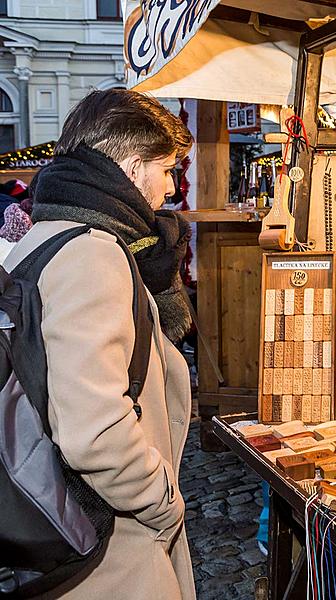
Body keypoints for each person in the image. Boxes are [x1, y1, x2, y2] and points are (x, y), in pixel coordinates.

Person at [3, 89, 195, 598]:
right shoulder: (91, 253)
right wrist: (161, 500)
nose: (171, 189)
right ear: (133, 169)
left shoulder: (43, 233)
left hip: (66, 527)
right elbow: (94, 433)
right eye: (168, 170)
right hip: (111, 545)